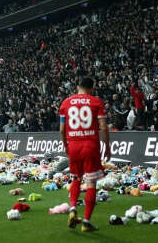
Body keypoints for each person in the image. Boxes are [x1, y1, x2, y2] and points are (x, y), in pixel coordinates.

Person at [59, 77, 111, 232]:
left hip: (73, 145)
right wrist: (107, 146)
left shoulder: (66, 103)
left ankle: (73, 209)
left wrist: (65, 145)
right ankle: (86, 222)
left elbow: (62, 129)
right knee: (91, 183)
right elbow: (103, 126)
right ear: (92, 88)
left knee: (76, 178)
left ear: (77, 87)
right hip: (90, 146)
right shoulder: (96, 102)